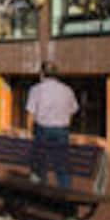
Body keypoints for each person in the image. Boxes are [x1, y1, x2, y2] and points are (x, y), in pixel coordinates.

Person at [24, 63, 80, 191]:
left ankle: (41, 193)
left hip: (42, 130)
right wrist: (65, 126)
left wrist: (29, 132)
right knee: (62, 165)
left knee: (40, 165)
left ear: (42, 74)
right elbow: (72, 111)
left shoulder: (36, 89)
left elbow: (30, 115)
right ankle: (66, 195)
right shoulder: (67, 90)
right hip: (62, 131)